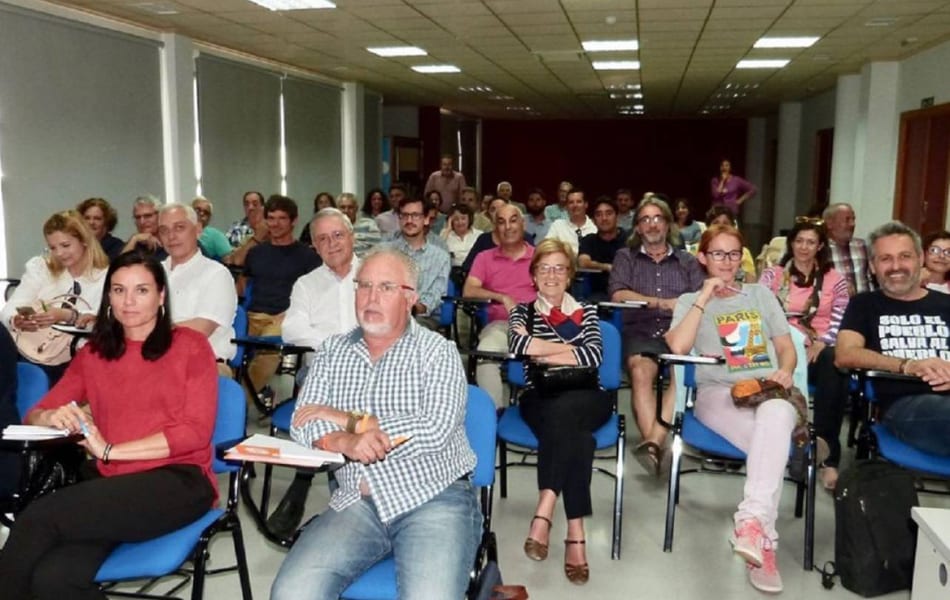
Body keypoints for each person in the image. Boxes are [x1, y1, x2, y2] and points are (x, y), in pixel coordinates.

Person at [0, 251, 218, 600]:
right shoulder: (95, 353)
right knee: (54, 579)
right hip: (109, 484)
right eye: (118, 290)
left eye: (141, 290)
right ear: (108, 297)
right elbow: (37, 411)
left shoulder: (191, 347)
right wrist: (51, 416)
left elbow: (194, 432)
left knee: (39, 517)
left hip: (177, 481)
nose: (128, 301)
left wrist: (112, 450)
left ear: (161, 296)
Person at [270, 247, 480, 600]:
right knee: (291, 593)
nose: (370, 296)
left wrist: (344, 420)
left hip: (434, 500)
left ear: (410, 297)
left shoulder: (438, 352)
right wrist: (343, 442)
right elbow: (303, 421)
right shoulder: (332, 351)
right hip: (356, 501)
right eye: (363, 285)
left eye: (385, 287)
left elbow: (433, 429)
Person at [665, 224, 799, 594]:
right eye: (719, 254)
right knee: (774, 447)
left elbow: (786, 348)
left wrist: (785, 372)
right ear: (703, 258)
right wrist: (704, 297)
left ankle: (753, 527)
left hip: (769, 391)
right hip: (718, 394)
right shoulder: (689, 300)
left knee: (775, 417)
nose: (727, 262)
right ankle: (763, 539)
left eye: (734, 253)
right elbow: (677, 345)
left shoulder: (760, 295)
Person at [508, 239, 611, 586]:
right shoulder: (521, 312)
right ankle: (575, 531)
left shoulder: (589, 312)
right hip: (540, 397)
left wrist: (545, 352)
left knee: (566, 415)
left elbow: (594, 356)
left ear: (570, 276)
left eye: (559, 268)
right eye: (544, 268)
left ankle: (546, 506)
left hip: (589, 397)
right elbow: (519, 346)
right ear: (534, 276)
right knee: (576, 436)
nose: (552, 275)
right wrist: (569, 349)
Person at [268, 208, 361, 539]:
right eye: (322, 239)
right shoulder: (306, 284)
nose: (331, 243)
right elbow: (292, 329)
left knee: (335, 405)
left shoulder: (373, 275)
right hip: (320, 371)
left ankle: (301, 482)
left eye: (337, 235)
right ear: (315, 247)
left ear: (352, 237)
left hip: (371, 371)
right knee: (320, 393)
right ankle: (340, 496)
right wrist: (336, 347)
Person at [836, 220, 950, 458]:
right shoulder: (864, 305)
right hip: (906, 407)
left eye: (905, 256)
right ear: (873, 266)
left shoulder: (946, 305)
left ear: (920, 259)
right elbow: (845, 354)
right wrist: (908, 365)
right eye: (885, 258)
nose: (896, 266)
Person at [608, 197, 704, 474]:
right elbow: (618, 293)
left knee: (680, 373)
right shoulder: (625, 257)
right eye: (645, 219)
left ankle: (652, 442)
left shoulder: (686, 260)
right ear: (637, 227)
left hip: (680, 330)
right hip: (642, 327)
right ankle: (656, 444)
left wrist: (682, 308)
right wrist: (659, 302)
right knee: (640, 370)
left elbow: (700, 296)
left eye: (658, 218)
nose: (652, 225)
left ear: (668, 224)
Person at [759, 220, 850, 490]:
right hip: (780, 345)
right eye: (799, 241)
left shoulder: (835, 279)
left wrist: (823, 342)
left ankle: (827, 456)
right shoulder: (772, 276)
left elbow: (841, 318)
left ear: (820, 246)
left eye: (811, 242)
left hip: (817, 346)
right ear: (791, 244)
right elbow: (761, 313)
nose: (804, 247)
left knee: (836, 365)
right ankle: (791, 442)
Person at [2, 211, 109, 384]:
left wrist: (67, 315)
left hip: (77, 358)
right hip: (28, 351)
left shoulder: (107, 276)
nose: (59, 253)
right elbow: (11, 307)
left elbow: (105, 323)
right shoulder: (41, 268)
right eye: (52, 247)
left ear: (84, 240)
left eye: (65, 245)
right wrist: (16, 320)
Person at [239, 195, 322, 407]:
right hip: (252, 316)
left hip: (284, 316)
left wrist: (292, 314)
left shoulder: (307, 256)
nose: (275, 224)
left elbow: (316, 294)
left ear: (293, 221)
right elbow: (242, 283)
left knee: (269, 354)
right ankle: (253, 396)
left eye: (281, 218)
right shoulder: (256, 253)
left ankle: (239, 404)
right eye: (271, 218)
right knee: (233, 356)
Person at [464, 204, 537, 406]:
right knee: (486, 355)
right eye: (501, 222)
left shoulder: (539, 256)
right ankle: (494, 416)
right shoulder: (484, 258)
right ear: (495, 228)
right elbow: (469, 290)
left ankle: (536, 408)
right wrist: (502, 297)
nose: (508, 227)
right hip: (501, 325)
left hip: (537, 324)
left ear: (523, 224)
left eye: (513, 220)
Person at [158, 203, 237, 376]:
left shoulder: (216, 274)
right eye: (164, 230)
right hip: (156, 360)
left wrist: (150, 331)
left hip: (205, 364)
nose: (171, 236)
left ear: (198, 230)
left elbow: (200, 330)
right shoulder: (151, 273)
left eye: (179, 228)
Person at [387, 197, 450, 330]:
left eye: (415, 216)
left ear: (426, 219)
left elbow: (435, 296)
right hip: (386, 312)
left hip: (421, 317)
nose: (409, 221)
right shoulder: (385, 252)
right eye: (404, 215)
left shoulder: (440, 257)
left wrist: (410, 308)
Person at [577, 196, 626, 301]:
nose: (604, 218)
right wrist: (607, 267)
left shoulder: (630, 240)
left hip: (628, 291)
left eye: (609, 213)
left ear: (617, 216)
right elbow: (583, 262)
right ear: (593, 220)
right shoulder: (588, 240)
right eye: (599, 215)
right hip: (598, 294)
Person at [823, 202, 875, 296]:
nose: (852, 224)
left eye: (853, 219)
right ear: (829, 223)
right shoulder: (821, 250)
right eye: (847, 220)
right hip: (834, 306)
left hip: (866, 305)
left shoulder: (864, 246)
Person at [706, 206, 756, 282]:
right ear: (708, 227)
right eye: (716, 223)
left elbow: (751, 283)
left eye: (726, 223)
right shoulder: (697, 250)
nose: (721, 227)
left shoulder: (744, 252)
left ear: (733, 227)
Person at [461, 197, 508, 275]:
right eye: (493, 210)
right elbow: (468, 266)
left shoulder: (524, 238)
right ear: (489, 215)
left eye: (502, 208)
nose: (498, 213)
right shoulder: (483, 239)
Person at [545, 188, 596, 257]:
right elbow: (546, 248)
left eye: (579, 202)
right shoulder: (557, 226)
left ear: (586, 204)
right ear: (566, 207)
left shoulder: (595, 228)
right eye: (571, 202)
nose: (575, 205)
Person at [225, 191, 268, 267]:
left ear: (262, 207)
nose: (250, 207)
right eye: (247, 204)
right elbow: (228, 258)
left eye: (255, 204)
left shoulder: (270, 226)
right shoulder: (235, 228)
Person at [122, 195, 167, 261]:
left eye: (148, 216)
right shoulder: (133, 244)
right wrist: (134, 239)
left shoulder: (170, 242)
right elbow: (118, 268)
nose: (142, 222)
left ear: (160, 215)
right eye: (138, 217)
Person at [336, 192, 382, 258]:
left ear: (356, 209)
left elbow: (378, 249)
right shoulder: (332, 228)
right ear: (337, 209)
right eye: (343, 207)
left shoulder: (368, 224)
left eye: (350, 207)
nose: (346, 211)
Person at [190, 197, 233, 261]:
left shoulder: (215, 236)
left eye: (206, 212)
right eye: (197, 210)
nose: (201, 214)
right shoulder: (176, 231)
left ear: (209, 219)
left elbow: (229, 259)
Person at [441, 204, 482, 268]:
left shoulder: (479, 235)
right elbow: (437, 250)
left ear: (469, 219)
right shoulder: (445, 234)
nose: (460, 222)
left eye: (463, 218)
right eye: (456, 219)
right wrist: (448, 229)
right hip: (452, 272)